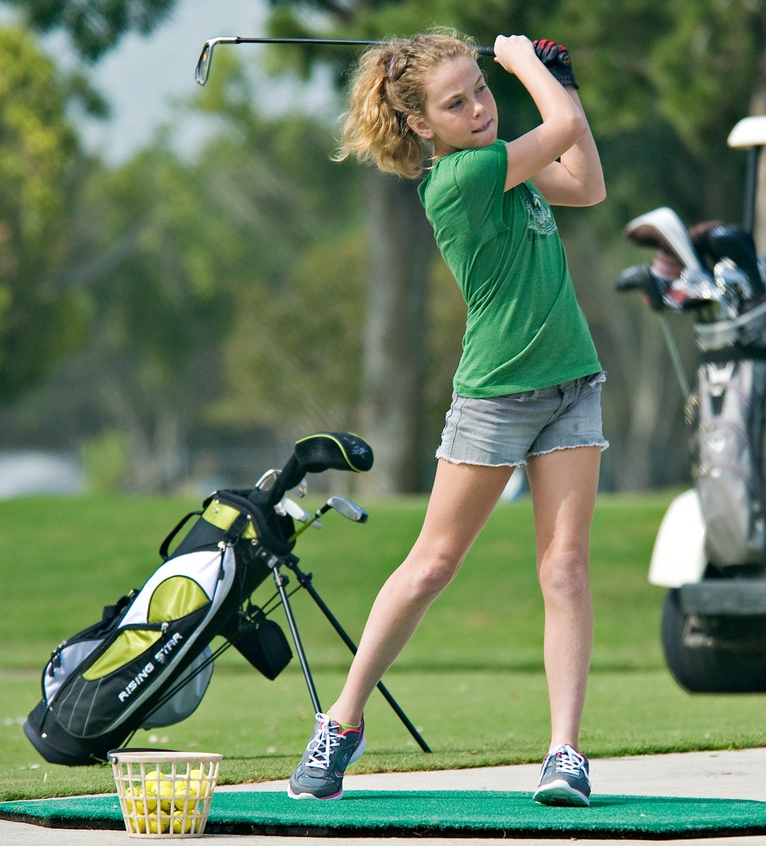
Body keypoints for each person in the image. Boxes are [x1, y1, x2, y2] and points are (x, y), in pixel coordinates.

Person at [288, 29, 608, 807]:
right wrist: (528, 66)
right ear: (423, 125)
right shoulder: (460, 178)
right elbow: (557, 131)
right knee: (433, 564)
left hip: (571, 383)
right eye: (456, 101)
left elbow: (586, 179)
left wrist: (554, 82)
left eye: (482, 91)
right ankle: (343, 718)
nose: (478, 108)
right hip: (496, 397)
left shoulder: (511, 170)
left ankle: (565, 752)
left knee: (564, 567)